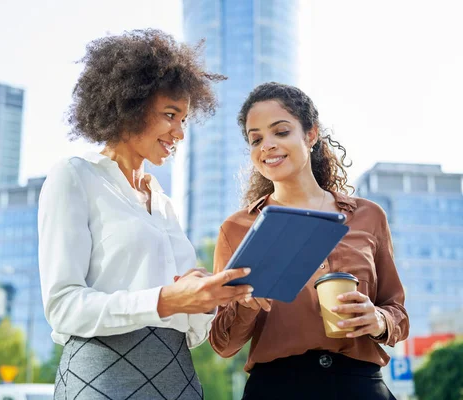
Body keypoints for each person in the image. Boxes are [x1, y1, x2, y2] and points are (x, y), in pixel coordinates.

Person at [38, 29, 254, 400]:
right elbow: (63, 307)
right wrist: (165, 299)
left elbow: (191, 331)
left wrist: (208, 299)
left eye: (184, 119)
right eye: (170, 115)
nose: (180, 133)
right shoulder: (75, 176)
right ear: (129, 105)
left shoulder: (163, 201)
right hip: (102, 379)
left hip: (177, 378)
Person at [209, 82, 409, 400]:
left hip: (360, 386)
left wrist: (379, 320)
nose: (267, 145)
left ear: (311, 134)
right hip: (276, 389)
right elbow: (224, 344)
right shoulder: (236, 229)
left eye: (281, 131)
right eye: (256, 138)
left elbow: (397, 311)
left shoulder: (368, 216)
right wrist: (245, 304)